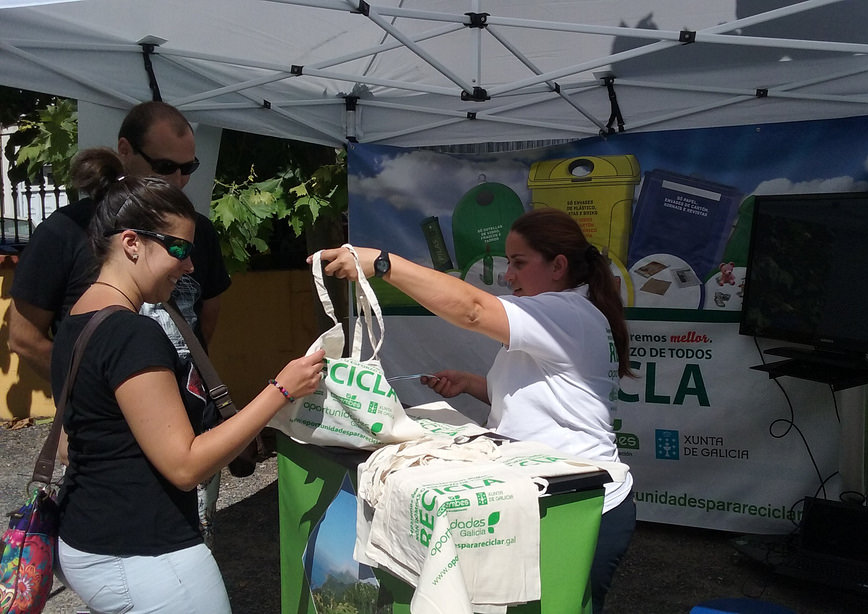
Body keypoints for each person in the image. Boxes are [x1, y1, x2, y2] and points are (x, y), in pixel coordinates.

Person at [315, 208, 636, 614]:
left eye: (519, 263)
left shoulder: (566, 314)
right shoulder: (565, 315)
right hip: (546, 491)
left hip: (582, 503)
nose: (509, 275)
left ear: (558, 266)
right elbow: (548, 401)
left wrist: (382, 264)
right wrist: (471, 385)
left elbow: (472, 309)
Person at [50, 147, 325, 614]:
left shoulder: (79, 319)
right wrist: (279, 391)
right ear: (132, 243)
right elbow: (185, 466)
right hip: (146, 552)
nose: (189, 265)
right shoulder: (132, 333)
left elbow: (69, 443)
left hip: (87, 537)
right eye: (178, 249)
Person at [7, 101, 232, 543]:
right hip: (114, 451)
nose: (181, 180)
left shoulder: (196, 232)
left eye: (190, 168)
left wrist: (181, 392)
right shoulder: (65, 232)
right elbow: (23, 336)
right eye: (167, 166)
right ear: (125, 150)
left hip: (189, 437)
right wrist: (92, 396)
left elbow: (207, 316)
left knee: (191, 546)